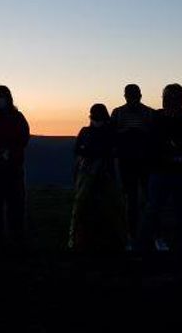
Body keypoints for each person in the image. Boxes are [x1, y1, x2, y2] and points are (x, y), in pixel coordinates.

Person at [138, 84, 182, 259]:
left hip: (177, 173)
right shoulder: (157, 118)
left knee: (173, 211)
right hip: (164, 171)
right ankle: (151, 247)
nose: (167, 101)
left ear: (181, 100)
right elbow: (146, 144)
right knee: (158, 210)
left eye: (171, 98)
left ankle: (174, 249)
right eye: (167, 97)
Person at [68, 104, 126, 254]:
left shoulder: (100, 132)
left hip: (99, 173)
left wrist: (89, 152)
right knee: (86, 205)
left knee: (94, 205)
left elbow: (80, 150)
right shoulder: (96, 132)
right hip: (92, 173)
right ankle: (79, 240)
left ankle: (77, 240)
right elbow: (78, 149)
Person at [0, 85, 30, 244]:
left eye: (1, 97)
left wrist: (10, 151)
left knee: (15, 205)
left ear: (8, 99)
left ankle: (16, 237)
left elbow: (23, 138)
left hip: (13, 168)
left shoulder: (17, 117)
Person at [110, 84, 156, 248]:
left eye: (133, 95)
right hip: (129, 161)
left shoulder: (148, 113)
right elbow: (112, 135)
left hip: (142, 161)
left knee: (145, 197)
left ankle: (144, 232)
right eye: (131, 95)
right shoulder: (119, 113)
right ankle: (134, 232)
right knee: (133, 197)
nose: (132, 98)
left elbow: (155, 136)